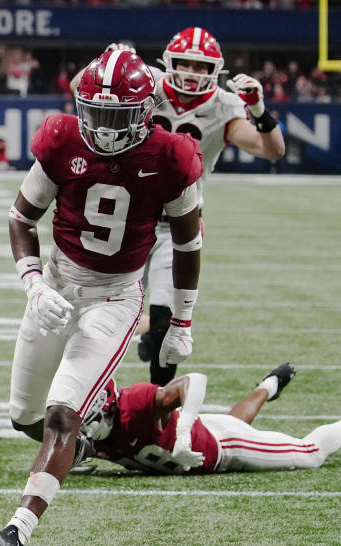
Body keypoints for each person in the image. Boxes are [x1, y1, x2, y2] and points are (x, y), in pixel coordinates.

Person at [0, 49, 203, 546]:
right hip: (56, 284)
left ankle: (16, 532)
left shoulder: (172, 155)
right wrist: (31, 281)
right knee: (24, 416)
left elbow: (189, 246)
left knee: (59, 415)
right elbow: (21, 216)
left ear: (146, 111)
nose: (103, 127)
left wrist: (183, 319)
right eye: (95, 113)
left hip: (115, 297)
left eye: (118, 116)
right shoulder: (61, 138)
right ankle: (101, 432)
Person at [74, 31, 285, 385]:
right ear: (168, 63)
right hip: (126, 214)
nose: (190, 71)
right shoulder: (147, 83)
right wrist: (108, 60)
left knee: (166, 326)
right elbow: (79, 86)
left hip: (176, 223)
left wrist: (259, 110)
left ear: (214, 69)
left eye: (199, 65)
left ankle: (157, 408)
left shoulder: (225, 106)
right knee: (94, 312)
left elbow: (272, 150)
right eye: (184, 62)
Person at [84, 364, 341, 474]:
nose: (84, 428)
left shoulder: (135, 404)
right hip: (210, 432)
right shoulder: (77, 429)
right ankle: (270, 385)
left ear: (109, 407)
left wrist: (183, 431)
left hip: (226, 446)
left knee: (310, 453)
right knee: (235, 421)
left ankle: (270, 385)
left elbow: (195, 380)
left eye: (90, 418)